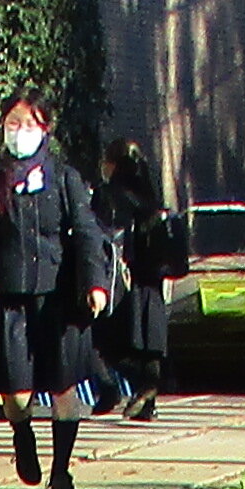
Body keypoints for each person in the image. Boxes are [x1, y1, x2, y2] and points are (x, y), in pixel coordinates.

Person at [0, 87, 114, 489]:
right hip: (11, 301)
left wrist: (95, 284)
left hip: (57, 301)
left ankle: (61, 470)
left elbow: (86, 233)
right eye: (13, 123)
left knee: (63, 386)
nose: (20, 131)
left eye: (29, 123)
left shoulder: (65, 178)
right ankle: (22, 434)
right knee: (17, 389)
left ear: (45, 128)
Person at [98, 139, 180, 420]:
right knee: (149, 344)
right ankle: (148, 394)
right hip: (152, 281)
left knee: (108, 341)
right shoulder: (150, 197)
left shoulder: (112, 195)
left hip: (123, 280)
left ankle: (131, 390)